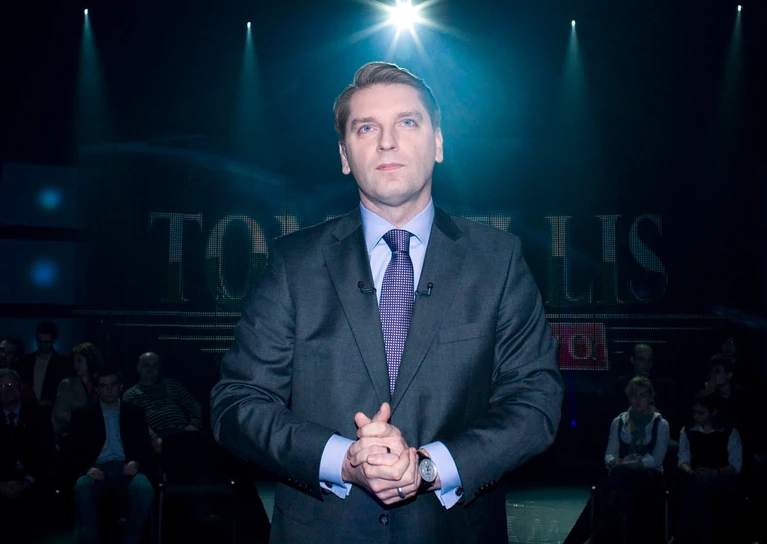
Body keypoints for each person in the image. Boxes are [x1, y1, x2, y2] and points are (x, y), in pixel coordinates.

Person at [210, 62, 564, 543]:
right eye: (366, 128)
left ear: (438, 143)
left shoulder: (498, 260)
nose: (387, 142)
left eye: (407, 122)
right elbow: (237, 402)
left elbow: (535, 400)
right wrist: (342, 460)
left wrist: (430, 468)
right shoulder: (294, 263)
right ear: (344, 155)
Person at [67, 367, 154, 544]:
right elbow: (72, 451)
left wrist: (136, 462)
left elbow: (145, 447)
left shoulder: (134, 413)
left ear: (121, 386)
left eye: (113, 385)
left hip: (126, 467)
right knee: (83, 486)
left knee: (145, 488)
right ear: (97, 388)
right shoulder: (83, 415)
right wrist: (88, 468)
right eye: (104, 386)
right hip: (96, 469)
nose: (109, 389)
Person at [596, 377, 669, 543]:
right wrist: (612, 461)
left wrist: (629, 465)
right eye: (634, 395)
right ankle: (626, 535)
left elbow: (656, 459)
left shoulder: (660, 424)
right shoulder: (620, 421)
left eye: (643, 395)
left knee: (620, 476)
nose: (638, 400)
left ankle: (601, 532)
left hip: (650, 475)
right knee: (623, 481)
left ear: (650, 398)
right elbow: (610, 453)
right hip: (622, 473)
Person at [675, 391, 742, 544]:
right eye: (694, 412)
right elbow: (683, 459)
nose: (696, 416)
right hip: (694, 476)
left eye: (701, 413)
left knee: (703, 489)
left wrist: (714, 472)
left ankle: (682, 535)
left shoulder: (729, 432)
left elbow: (735, 466)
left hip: (721, 478)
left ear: (713, 412)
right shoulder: (688, 431)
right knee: (698, 487)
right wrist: (692, 471)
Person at [0, 368, 56, 527]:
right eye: (2, 386)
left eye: (11, 384)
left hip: (34, 482)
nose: (7, 389)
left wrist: (28, 481)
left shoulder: (39, 414)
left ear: (21, 387)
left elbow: (48, 455)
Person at [122, 351, 203, 456]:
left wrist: (194, 424)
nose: (150, 369)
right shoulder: (130, 395)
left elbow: (193, 404)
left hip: (183, 430)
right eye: (146, 365)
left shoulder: (172, 384)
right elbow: (134, 422)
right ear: (138, 367)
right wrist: (153, 437)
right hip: (159, 434)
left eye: (154, 365)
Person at [14, 321, 72, 407]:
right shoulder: (24, 362)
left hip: (51, 410)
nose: (42, 345)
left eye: (46, 342)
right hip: (26, 408)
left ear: (53, 341)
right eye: (40, 341)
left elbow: (66, 391)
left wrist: (50, 401)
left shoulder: (63, 364)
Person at [52, 342, 104, 436]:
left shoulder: (101, 383)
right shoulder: (68, 384)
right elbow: (59, 413)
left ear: (90, 361)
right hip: (74, 436)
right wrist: (80, 419)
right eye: (74, 361)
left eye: (79, 361)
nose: (75, 365)